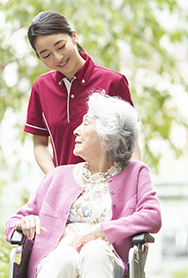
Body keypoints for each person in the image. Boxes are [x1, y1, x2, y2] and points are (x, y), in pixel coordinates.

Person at [5, 92, 161, 278]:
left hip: (105, 264)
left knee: (95, 250)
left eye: (85, 123)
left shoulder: (135, 173)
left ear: (107, 133)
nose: (76, 130)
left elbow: (153, 216)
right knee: (64, 256)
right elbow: (13, 222)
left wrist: (101, 231)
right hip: (56, 261)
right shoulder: (57, 176)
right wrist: (25, 222)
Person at [24, 11, 141, 174]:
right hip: (64, 193)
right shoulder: (41, 87)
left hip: (109, 189)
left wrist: (131, 185)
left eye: (61, 46)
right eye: (46, 55)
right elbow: (40, 144)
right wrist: (55, 178)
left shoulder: (113, 81)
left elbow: (131, 143)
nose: (57, 58)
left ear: (74, 37)